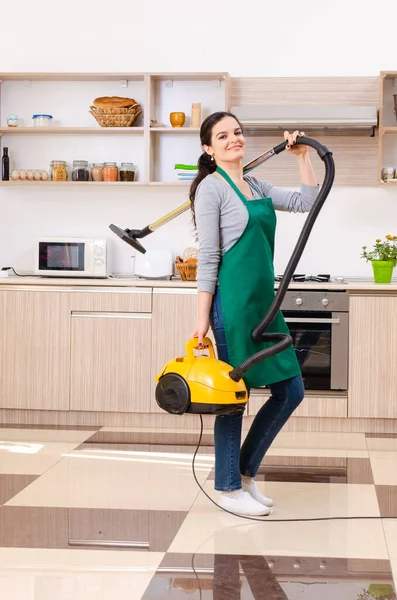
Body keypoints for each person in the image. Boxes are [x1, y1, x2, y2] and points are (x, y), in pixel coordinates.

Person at [189, 111, 319, 517]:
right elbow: (209, 257)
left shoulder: (255, 183)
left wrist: (301, 157)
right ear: (208, 148)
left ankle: (244, 475)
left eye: (238, 133)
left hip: (265, 306)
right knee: (232, 400)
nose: (234, 140)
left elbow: (306, 202)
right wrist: (202, 320)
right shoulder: (211, 189)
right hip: (234, 306)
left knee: (290, 391)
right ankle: (228, 488)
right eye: (223, 136)